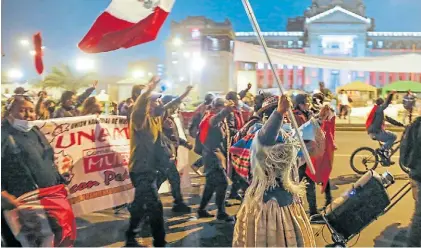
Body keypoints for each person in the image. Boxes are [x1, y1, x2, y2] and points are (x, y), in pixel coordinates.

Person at [232, 95, 316, 247]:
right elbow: (266, 138)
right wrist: (279, 113)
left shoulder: (285, 137)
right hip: (270, 206)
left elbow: (294, 162)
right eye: (286, 116)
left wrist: (320, 122)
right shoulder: (260, 135)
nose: (289, 119)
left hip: (287, 202)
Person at [125, 76, 192, 247]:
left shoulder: (156, 118)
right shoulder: (139, 118)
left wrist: (185, 93)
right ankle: (160, 242)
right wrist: (148, 89)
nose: (160, 103)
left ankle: (130, 237)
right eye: (156, 101)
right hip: (141, 170)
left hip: (150, 169)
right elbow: (140, 105)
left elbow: (171, 105)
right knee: (155, 206)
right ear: (147, 104)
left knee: (140, 205)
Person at [1, 95, 76, 247]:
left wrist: (59, 177)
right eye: (22, 111)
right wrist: (2, 194)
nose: (28, 115)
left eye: (31, 110)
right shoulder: (2, 135)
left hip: (49, 197)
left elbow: (46, 158)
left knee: (57, 237)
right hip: (18, 202)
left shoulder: (35, 131)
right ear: (9, 113)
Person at [196, 97, 235, 221]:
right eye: (221, 107)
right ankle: (221, 212)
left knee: (211, 185)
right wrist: (226, 111)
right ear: (216, 107)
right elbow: (215, 119)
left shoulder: (217, 119)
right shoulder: (211, 118)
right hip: (212, 157)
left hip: (215, 155)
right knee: (222, 183)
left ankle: (201, 210)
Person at [293, 94, 330, 221]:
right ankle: (310, 212)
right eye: (305, 103)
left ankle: (309, 211)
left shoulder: (305, 114)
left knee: (306, 183)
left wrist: (320, 117)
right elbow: (303, 132)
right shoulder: (296, 117)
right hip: (299, 155)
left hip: (306, 154)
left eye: (307, 103)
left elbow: (312, 126)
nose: (307, 105)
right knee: (305, 183)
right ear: (299, 104)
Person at [156, 95, 192, 213]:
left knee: (160, 179)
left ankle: (142, 203)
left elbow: (174, 137)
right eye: (174, 106)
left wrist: (184, 143)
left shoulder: (170, 120)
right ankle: (178, 203)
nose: (176, 108)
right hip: (163, 155)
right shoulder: (159, 120)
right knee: (173, 178)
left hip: (170, 154)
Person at [400, 104, 421, 247]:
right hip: (419, 173)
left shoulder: (416, 123)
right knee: (419, 216)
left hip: (416, 172)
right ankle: (412, 244)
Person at [366, 91, 404, 160]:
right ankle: (382, 150)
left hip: (377, 131)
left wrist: (401, 125)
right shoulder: (378, 109)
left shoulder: (378, 111)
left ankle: (385, 153)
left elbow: (390, 120)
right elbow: (386, 104)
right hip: (376, 132)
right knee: (393, 137)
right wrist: (391, 94)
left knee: (391, 135)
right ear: (381, 104)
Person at [189, 93, 215, 175]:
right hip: (205, 136)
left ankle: (201, 167)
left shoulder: (201, 108)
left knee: (210, 154)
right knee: (211, 154)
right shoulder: (207, 110)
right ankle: (197, 166)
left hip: (201, 136)